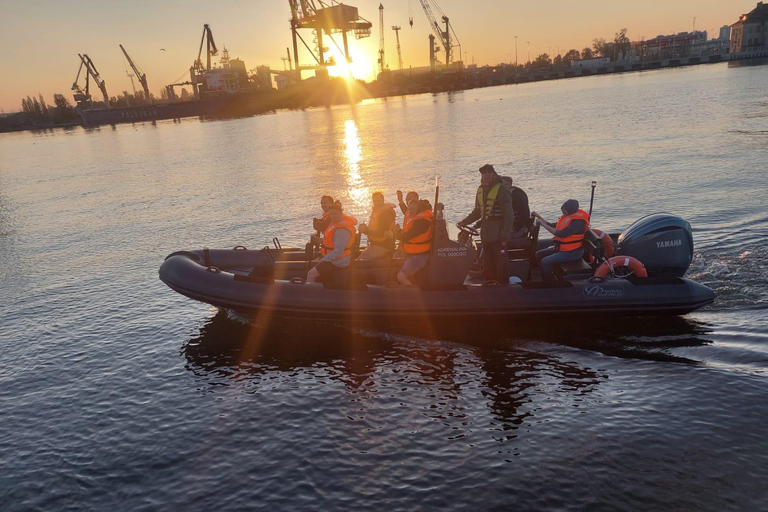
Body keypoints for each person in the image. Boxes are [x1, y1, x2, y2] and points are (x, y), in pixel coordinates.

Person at [457, 164, 514, 283]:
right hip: (486, 235)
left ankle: (504, 287)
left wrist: (504, 235)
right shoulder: (480, 190)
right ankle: (490, 285)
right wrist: (464, 222)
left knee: (501, 262)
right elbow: (478, 211)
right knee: (488, 263)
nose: (486, 175)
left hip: (498, 235)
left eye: (488, 173)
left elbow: (509, 216)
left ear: (493, 174)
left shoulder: (501, 190)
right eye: (484, 173)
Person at [532, 199, 590, 281]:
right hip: (562, 247)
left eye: (564, 212)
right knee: (539, 254)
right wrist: (538, 216)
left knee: (545, 261)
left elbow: (561, 234)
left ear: (570, 211)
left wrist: (543, 225)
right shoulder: (568, 217)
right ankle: (546, 274)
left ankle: (548, 283)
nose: (563, 213)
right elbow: (551, 225)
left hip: (572, 252)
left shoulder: (578, 223)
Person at [307, 203, 358, 283]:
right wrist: (317, 240)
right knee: (314, 263)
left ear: (341, 214)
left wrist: (324, 259)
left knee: (311, 274)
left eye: (335, 214)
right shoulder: (335, 225)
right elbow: (329, 242)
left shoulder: (342, 231)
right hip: (334, 258)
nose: (332, 216)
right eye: (331, 213)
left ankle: (309, 293)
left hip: (339, 262)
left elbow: (338, 253)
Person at [395, 199, 434, 285]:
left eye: (413, 209)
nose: (411, 211)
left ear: (419, 208)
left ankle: (413, 295)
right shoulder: (418, 219)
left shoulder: (422, 222)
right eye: (409, 209)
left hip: (420, 255)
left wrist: (396, 233)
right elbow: (409, 234)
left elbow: (408, 236)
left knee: (401, 277)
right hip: (414, 253)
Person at [358, 192, 397, 260]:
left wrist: (366, 231)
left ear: (383, 200)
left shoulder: (386, 213)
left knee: (359, 261)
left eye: (379, 201)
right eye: (374, 201)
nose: (376, 203)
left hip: (383, 246)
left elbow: (380, 233)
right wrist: (365, 228)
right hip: (374, 245)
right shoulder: (377, 211)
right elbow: (375, 229)